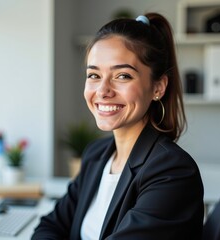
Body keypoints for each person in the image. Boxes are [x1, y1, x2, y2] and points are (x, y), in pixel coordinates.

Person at [32, 12, 204, 240]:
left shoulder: (172, 172)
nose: (102, 91)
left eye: (122, 76)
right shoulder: (96, 155)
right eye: (94, 75)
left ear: (158, 88)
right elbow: (50, 227)